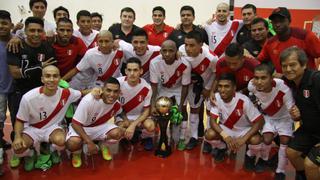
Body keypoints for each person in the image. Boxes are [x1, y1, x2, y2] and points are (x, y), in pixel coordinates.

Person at [11, 65, 82, 171]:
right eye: (48, 76)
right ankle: (30, 154)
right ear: (42, 79)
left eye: (55, 76)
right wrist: (17, 137)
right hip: (32, 129)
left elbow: (82, 93)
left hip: (52, 128)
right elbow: (19, 120)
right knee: (18, 148)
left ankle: (51, 150)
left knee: (61, 141)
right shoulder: (28, 97)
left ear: (59, 78)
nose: (52, 79)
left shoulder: (66, 93)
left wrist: (97, 91)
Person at [7, 17, 56, 136]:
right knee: (19, 127)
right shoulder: (15, 46)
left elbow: (51, 71)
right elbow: (15, 73)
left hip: (41, 93)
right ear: (25, 31)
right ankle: (22, 154)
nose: (36, 34)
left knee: (44, 124)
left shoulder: (48, 49)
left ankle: (45, 151)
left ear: (43, 32)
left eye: (39, 31)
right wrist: (40, 67)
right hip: (19, 92)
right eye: (32, 30)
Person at [205, 73, 265, 166]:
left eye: (226, 86)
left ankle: (249, 155)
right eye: (220, 86)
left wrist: (243, 139)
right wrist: (225, 136)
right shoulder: (216, 97)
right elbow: (212, 121)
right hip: (227, 129)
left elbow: (260, 121)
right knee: (209, 134)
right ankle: (222, 148)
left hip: (243, 131)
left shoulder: (244, 101)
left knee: (256, 140)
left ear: (234, 88)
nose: (222, 90)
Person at [248, 64, 296, 178]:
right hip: (269, 117)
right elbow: (251, 96)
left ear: (271, 78)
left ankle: (280, 170)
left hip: (285, 118)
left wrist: (295, 120)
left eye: (263, 78)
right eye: (256, 77)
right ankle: (263, 159)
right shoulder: (251, 85)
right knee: (267, 139)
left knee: (284, 141)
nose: (259, 82)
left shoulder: (283, 88)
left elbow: (291, 110)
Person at [280, 47, 320, 180]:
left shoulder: (316, 80)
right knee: (291, 153)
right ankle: (304, 176)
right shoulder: (293, 84)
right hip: (311, 130)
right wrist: (298, 116)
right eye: (284, 66)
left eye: (292, 65)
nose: (288, 69)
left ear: (304, 65)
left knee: (311, 164)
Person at [66, 77, 124, 168]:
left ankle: (103, 145)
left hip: (99, 127)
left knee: (118, 132)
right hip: (81, 127)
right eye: (108, 90)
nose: (112, 94)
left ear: (119, 92)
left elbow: (120, 112)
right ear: (102, 89)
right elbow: (75, 124)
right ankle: (77, 153)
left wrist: (126, 121)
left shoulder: (116, 103)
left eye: (115, 91)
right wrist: (89, 142)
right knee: (72, 144)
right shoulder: (89, 100)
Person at [178, 31, 218, 150]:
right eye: (186, 45)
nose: (188, 48)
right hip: (189, 86)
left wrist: (208, 89)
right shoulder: (181, 50)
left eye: (192, 45)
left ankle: (207, 139)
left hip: (206, 86)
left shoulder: (212, 58)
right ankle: (193, 137)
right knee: (189, 109)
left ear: (201, 44)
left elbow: (216, 74)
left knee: (207, 111)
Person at [150, 40, 191, 150]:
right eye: (164, 51)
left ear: (176, 52)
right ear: (160, 52)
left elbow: (185, 86)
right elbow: (154, 86)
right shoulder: (154, 62)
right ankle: (162, 135)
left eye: (171, 51)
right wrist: (153, 104)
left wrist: (180, 106)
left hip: (179, 89)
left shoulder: (185, 64)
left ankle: (181, 139)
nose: (167, 54)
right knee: (159, 109)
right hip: (163, 89)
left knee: (182, 109)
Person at [258, 7, 320, 77]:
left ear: (289, 21)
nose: (278, 24)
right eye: (275, 22)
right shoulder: (270, 43)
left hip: (308, 82)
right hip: (285, 84)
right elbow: (258, 61)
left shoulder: (305, 36)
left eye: (281, 21)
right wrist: (271, 72)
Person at [116, 57, 154, 151]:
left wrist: (133, 125)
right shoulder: (118, 84)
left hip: (140, 116)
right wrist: (126, 120)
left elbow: (146, 112)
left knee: (150, 126)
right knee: (118, 129)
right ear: (125, 71)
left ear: (141, 71)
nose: (132, 73)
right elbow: (116, 106)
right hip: (123, 116)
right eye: (129, 70)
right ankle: (124, 139)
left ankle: (146, 137)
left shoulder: (147, 88)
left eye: (135, 70)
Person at [0, 10, 14, 176]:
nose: (1, 26)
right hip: (0, 90)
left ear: (10, 25)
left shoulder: (17, 40)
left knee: (17, 119)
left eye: (4, 23)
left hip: (15, 90)